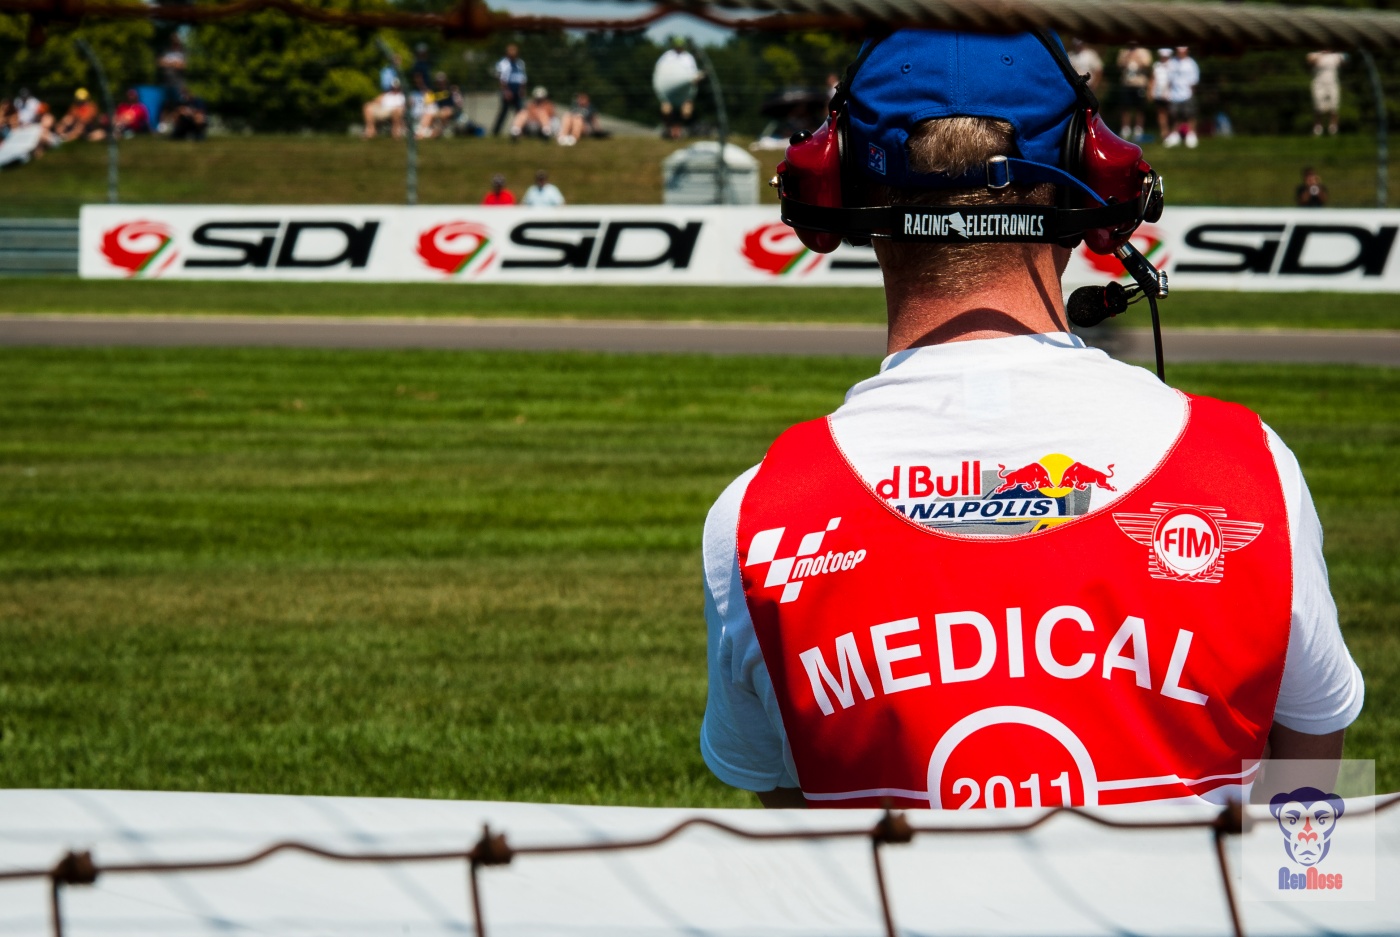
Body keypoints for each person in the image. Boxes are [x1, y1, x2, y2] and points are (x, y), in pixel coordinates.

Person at [701, 29, 1364, 810]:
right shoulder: (1252, 471)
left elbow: (792, 824)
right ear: (1096, 175)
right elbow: (1310, 792)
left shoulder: (758, 518)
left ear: (833, 181)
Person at [653, 36, 702, 140]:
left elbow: (692, 73)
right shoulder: (667, 56)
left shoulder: (688, 58)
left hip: (685, 94)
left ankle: (680, 130)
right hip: (668, 94)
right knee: (666, 110)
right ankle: (669, 130)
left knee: (686, 111)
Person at [1115, 41, 1152, 141]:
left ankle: (1138, 130)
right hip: (1127, 84)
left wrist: (1137, 59)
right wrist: (1127, 58)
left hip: (1139, 84)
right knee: (1125, 107)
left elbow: (1148, 65)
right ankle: (1125, 129)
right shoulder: (1123, 51)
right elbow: (1119, 65)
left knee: (1140, 108)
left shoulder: (1144, 52)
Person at [1164, 46, 1200, 148]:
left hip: (1187, 94)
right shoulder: (1172, 62)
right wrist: (1168, 92)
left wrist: (1191, 93)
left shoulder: (1191, 63)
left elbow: (1194, 81)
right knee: (1175, 116)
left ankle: (1191, 134)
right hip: (1174, 95)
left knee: (1190, 115)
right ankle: (1175, 135)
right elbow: (1169, 79)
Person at [1307, 50, 1347, 137]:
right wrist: (1321, 54)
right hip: (1318, 83)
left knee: (1334, 106)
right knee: (1318, 106)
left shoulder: (1335, 54)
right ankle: (1318, 128)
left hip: (1333, 83)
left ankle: (1333, 128)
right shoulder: (1315, 53)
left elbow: (1344, 62)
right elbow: (1309, 62)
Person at [492, 43, 527, 137]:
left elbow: (523, 78)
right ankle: (496, 132)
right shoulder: (502, 63)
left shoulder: (520, 63)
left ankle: (520, 131)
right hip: (508, 90)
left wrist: (522, 89)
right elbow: (501, 79)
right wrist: (506, 91)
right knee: (504, 112)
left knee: (520, 112)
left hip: (517, 90)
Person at [1150, 47, 1172, 144]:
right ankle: (1164, 133)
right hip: (1158, 94)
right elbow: (1153, 78)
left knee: (1171, 113)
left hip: (1170, 94)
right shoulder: (1157, 65)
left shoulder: (1172, 65)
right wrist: (1151, 91)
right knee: (1161, 113)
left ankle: (1172, 132)